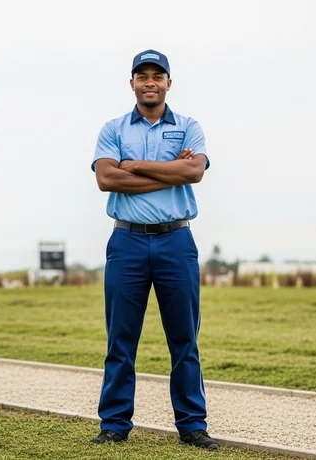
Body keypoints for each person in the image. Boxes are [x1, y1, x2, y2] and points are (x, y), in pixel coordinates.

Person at [89, 49, 217, 450]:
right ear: (132, 83)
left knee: (184, 338)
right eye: (142, 76)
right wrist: (169, 172)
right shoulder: (112, 129)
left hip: (175, 240)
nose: (150, 82)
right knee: (120, 339)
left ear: (168, 83)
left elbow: (194, 171)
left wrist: (133, 165)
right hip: (126, 241)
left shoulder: (189, 126)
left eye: (157, 76)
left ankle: (192, 425)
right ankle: (114, 425)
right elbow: (107, 179)